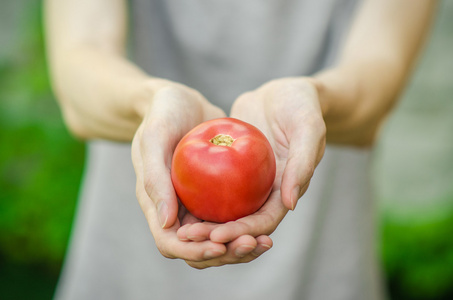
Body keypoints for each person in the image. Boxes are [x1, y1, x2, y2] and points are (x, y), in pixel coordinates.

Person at [45, 0, 437, 299]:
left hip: (323, 261)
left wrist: (317, 97)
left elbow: (377, 78)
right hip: (127, 262)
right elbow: (80, 65)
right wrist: (149, 101)